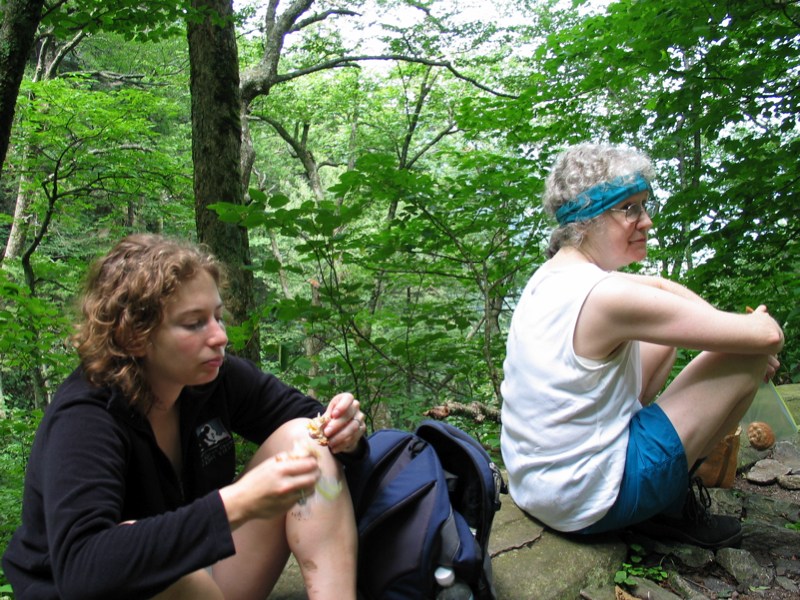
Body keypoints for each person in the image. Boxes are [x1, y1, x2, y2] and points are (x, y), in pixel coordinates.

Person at [2, 234, 368, 600]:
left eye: (218, 317)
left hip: (201, 581)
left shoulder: (212, 379)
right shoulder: (86, 416)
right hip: (93, 591)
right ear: (134, 336)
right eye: (194, 323)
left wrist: (346, 432)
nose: (219, 336)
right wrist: (237, 503)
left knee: (307, 438)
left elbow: (317, 422)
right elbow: (82, 570)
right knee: (139, 551)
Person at [500, 143, 784, 549]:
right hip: (591, 500)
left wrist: (734, 325)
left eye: (644, 206)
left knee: (662, 340)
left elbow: (662, 288)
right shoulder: (606, 296)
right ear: (588, 219)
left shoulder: (553, 276)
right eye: (629, 209)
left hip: (543, 488)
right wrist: (754, 328)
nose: (647, 221)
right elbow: (769, 337)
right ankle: (670, 507)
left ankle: (658, 483)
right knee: (747, 360)